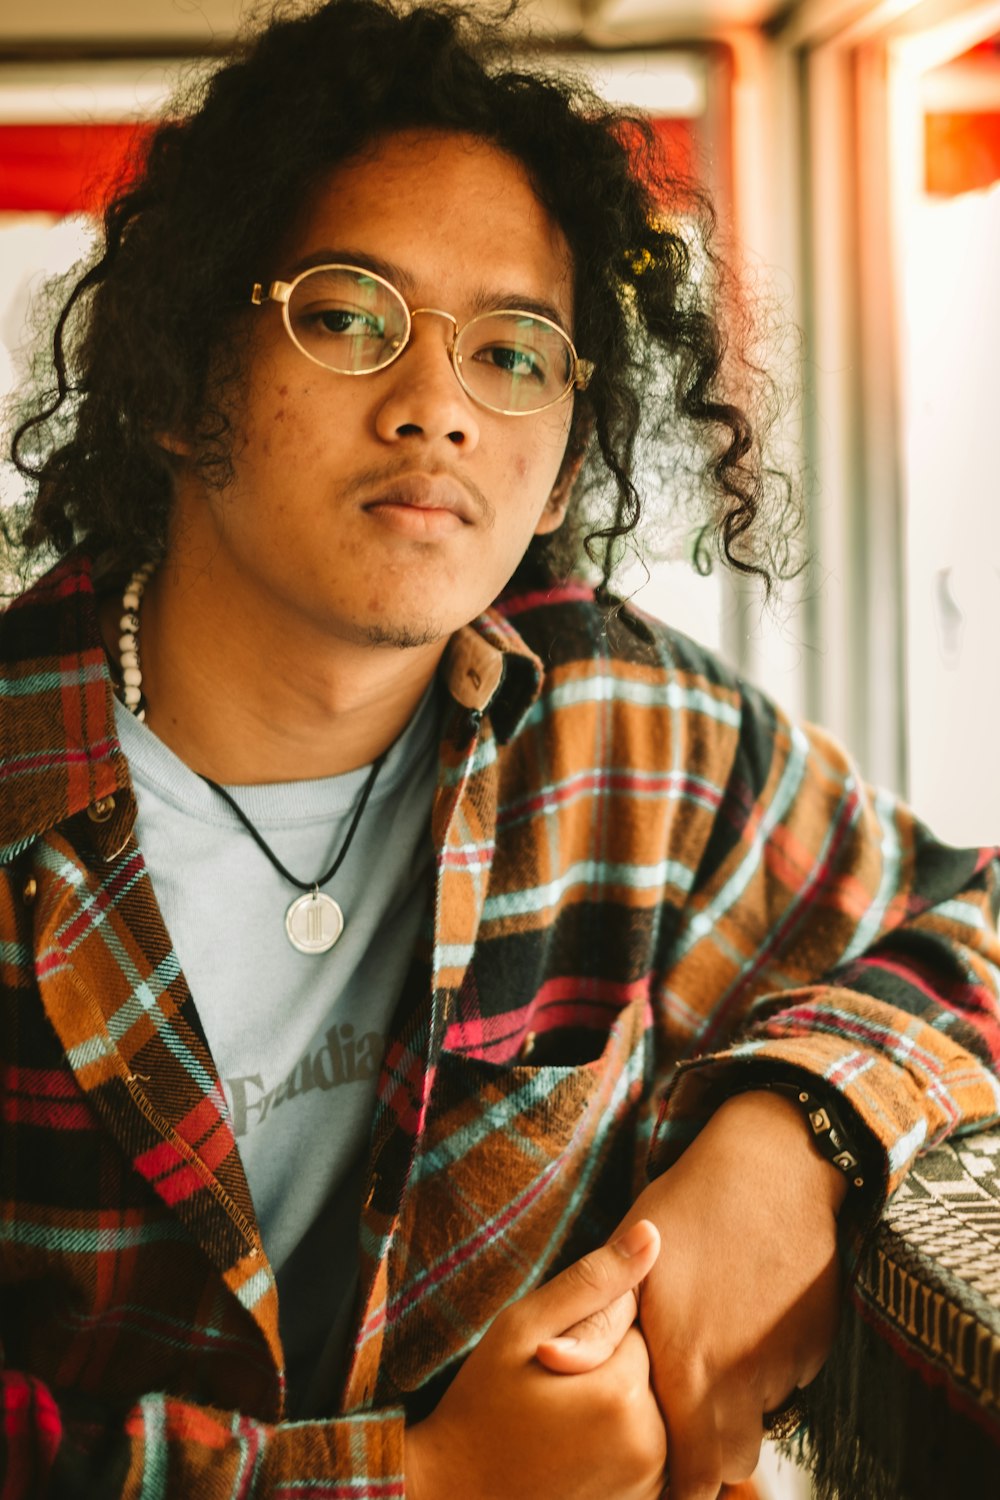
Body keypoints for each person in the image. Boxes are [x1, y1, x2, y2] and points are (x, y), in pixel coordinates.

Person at [1, 2, 998, 1497]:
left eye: (516, 353)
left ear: (558, 476)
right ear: (170, 378)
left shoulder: (616, 726)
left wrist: (796, 1136)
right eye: (346, 316)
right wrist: (424, 1480)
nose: (437, 412)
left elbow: (970, 912)